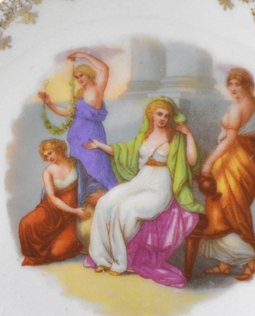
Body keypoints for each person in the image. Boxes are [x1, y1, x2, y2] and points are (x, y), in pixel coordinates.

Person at [85, 97, 203, 287]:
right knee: (105, 202)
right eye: (159, 114)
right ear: (151, 115)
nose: (162, 118)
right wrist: (99, 145)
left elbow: (191, 161)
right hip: (139, 181)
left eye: (166, 115)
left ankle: (120, 261)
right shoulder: (145, 136)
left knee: (127, 208)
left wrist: (188, 134)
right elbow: (123, 151)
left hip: (160, 185)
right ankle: (102, 257)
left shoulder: (175, 137)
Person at [197, 68, 255, 281]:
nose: (233, 89)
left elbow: (229, 140)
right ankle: (224, 264)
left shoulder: (236, 109)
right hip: (249, 162)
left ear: (246, 85)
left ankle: (251, 261)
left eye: (238, 85)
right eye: (230, 85)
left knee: (228, 210)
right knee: (230, 209)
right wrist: (247, 143)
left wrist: (207, 165)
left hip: (231, 161)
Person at [19, 139, 106, 265]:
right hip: (52, 209)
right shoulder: (47, 172)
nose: (49, 157)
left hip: (71, 217)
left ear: (58, 149)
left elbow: (87, 182)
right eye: (46, 156)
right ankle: (32, 256)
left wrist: (100, 192)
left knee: (57, 252)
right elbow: (52, 198)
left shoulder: (75, 163)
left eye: (50, 153)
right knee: (26, 223)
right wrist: (74, 211)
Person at [38, 52, 117, 190]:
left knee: (97, 168)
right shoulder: (78, 95)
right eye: (77, 77)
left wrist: (82, 55)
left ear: (89, 74)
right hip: (76, 139)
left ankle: (105, 195)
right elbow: (65, 112)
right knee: (80, 171)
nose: (79, 79)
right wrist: (49, 103)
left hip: (92, 136)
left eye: (82, 75)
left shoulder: (98, 89)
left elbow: (105, 68)